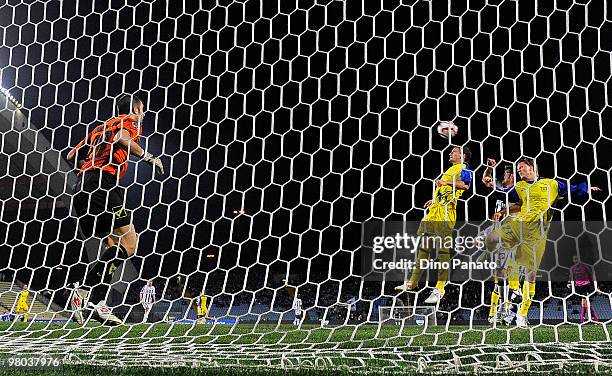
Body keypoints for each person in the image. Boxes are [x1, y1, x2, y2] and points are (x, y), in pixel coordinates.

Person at [66, 94, 164, 325]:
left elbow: (72, 155)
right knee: (130, 244)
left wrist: (89, 169)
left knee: (112, 245)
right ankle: (82, 292)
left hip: (83, 186)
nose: (143, 114)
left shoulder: (99, 128)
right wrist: (148, 157)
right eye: (142, 110)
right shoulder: (128, 122)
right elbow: (122, 138)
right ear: (135, 109)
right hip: (104, 185)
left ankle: (99, 304)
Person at [486, 157, 601, 327]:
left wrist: (587, 189)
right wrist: (497, 196)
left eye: (521, 167)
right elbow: (506, 193)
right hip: (519, 228)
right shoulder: (520, 186)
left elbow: (573, 189)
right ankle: (514, 289)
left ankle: (521, 315)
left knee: (531, 275)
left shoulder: (551, 185)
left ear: (532, 167)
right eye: (517, 169)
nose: (519, 171)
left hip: (537, 235)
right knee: (495, 240)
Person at [396, 146, 473, 304]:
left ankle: (440, 289)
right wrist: (435, 200)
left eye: (454, 151)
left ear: (463, 155)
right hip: (434, 212)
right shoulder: (451, 169)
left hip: (446, 214)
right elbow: (445, 191)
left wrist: (446, 181)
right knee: (423, 250)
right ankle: (413, 282)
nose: (450, 153)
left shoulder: (464, 168)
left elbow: (466, 186)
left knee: (443, 252)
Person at [480, 159, 521, 324]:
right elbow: (485, 180)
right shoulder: (499, 188)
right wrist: (490, 167)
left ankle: (508, 313)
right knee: (500, 277)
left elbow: (520, 206)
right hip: (498, 233)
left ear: (511, 176)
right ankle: (497, 313)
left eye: (505, 173)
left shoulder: (517, 191)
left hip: (513, 234)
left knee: (509, 276)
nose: (503, 176)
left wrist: (504, 211)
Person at [568, 256, 601, 323]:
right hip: (578, 287)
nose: (576, 260)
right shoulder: (572, 268)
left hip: (586, 286)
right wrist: (569, 283)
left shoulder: (585, 266)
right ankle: (595, 319)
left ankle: (583, 319)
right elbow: (571, 276)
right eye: (574, 259)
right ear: (573, 260)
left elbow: (591, 276)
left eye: (577, 259)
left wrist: (596, 287)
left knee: (584, 303)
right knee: (586, 303)